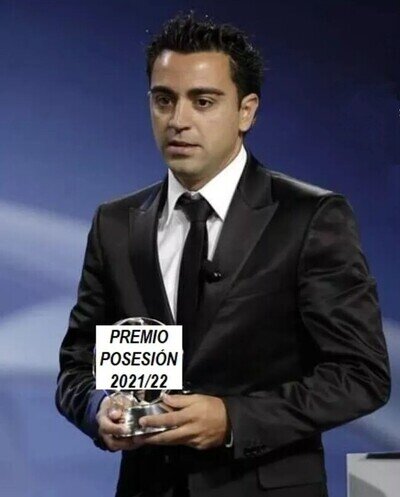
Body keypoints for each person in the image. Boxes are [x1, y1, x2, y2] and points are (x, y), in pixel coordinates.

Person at [56, 13, 390, 497]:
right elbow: (76, 365)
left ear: (246, 112)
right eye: (163, 100)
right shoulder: (115, 223)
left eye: (203, 101)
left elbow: (362, 375)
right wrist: (97, 408)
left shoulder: (309, 217)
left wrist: (233, 419)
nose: (178, 120)